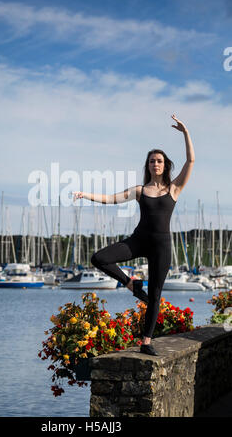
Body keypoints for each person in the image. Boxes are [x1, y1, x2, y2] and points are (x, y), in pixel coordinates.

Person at [73, 114, 195, 356]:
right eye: (151, 161)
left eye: (159, 161)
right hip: (138, 240)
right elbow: (110, 199)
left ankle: (146, 342)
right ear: (147, 166)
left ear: (165, 165)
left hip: (161, 246)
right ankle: (131, 283)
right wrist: (85, 194)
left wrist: (185, 132)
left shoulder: (174, 188)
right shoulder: (140, 191)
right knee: (99, 258)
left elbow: (191, 160)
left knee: (155, 295)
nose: (155, 164)